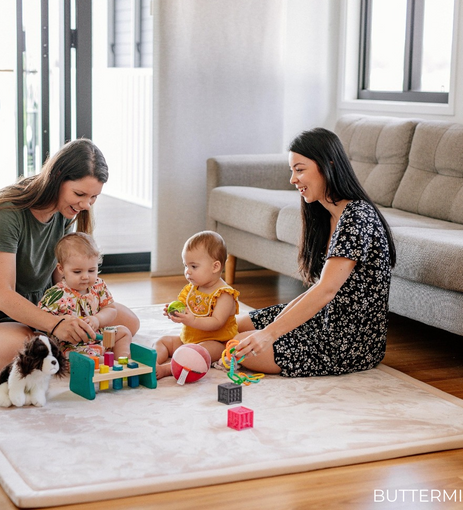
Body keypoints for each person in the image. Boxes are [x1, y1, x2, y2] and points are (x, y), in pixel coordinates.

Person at [0, 138, 140, 371]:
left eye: (93, 197)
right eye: (80, 193)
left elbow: (63, 279)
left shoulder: (65, 211)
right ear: (57, 176)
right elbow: (2, 296)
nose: (86, 204)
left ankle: (66, 345)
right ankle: (61, 346)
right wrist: (56, 324)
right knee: (30, 350)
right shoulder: (6, 214)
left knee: (128, 321)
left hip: (43, 307)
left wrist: (81, 313)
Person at [233, 127, 396, 377]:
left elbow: (326, 289)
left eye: (300, 169)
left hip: (347, 343)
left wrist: (269, 334)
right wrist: (273, 328)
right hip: (322, 319)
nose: (293, 179)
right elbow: (319, 287)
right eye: (292, 171)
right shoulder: (325, 214)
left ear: (327, 165)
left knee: (238, 347)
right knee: (234, 326)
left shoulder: (357, 216)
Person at [154, 230, 240, 379]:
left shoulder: (224, 294)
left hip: (216, 343)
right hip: (187, 339)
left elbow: (217, 323)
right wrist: (174, 312)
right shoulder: (192, 288)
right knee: (163, 341)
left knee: (195, 354)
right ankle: (152, 363)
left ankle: (167, 369)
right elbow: (183, 306)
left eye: (193, 267)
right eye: (185, 265)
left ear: (215, 267)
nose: (187, 272)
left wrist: (192, 320)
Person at [38, 232, 131, 360]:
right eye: (77, 272)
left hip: (99, 336)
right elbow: (42, 321)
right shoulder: (55, 294)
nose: (85, 276)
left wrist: (97, 319)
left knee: (124, 332)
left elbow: (111, 309)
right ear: (61, 269)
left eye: (92, 270)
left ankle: (122, 360)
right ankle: (96, 362)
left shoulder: (98, 285)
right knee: (68, 356)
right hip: (72, 345)